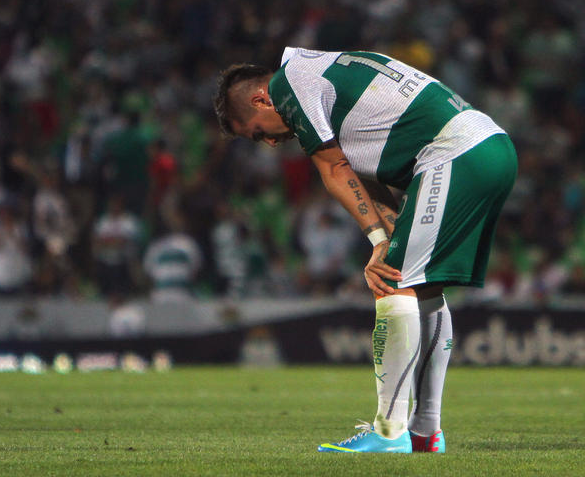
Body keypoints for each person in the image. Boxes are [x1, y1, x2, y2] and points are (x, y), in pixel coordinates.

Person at [213, 47, 517, 453]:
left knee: (392, 282)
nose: (269, 142)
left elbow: (334, 168)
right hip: (490, 148)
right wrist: (389, 238)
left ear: (261, 100)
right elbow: (364, 175)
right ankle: (425, 432)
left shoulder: (289, 83)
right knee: (422, 287)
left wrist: (378, 244)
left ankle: (389, 432)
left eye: (257, 132)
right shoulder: (327, 81)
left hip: (455, 154)